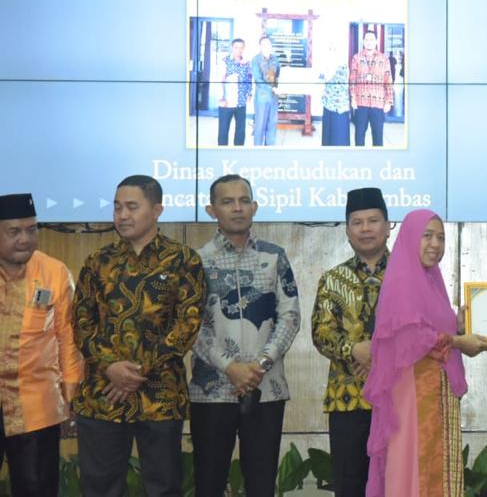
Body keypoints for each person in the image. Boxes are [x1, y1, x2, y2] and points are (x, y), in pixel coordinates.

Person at [72, 175, 206, 497]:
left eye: (132, 207)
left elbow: (187, 325)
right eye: (117, 207)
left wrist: (136, 371)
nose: (122, 215)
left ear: (157, 210)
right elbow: (81, 322)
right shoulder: (98, 261)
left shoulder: (183, 260)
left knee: (164, 487)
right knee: (100, 487)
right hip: (102, 394)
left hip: (160, 394)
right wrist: (110, 367)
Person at [362, 209, 487, 497]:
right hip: (414, 391)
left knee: (434, 469)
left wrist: (459, 326)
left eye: (441, 238)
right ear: (410, 238)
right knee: (416, 467)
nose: (435, 244)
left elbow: (430, 328)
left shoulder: (431, 280)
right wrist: (459, 342)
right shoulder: (402, 280)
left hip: (433, 390)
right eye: (427, 236)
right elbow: (413, 336)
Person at [189, 174, 301, 497]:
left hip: (266, 388)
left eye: (244, 200)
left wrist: (261, 364)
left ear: (254, 206)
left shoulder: (274, 256)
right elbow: (190, 325)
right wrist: (230, 367)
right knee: (208, 484)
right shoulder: (195, 261)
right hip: (212, 391)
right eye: (227, 202)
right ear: (211, 210)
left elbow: (290, 316)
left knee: (262, 485)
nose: (237, 208)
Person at [0, 193, 83, 497]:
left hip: (36, 405)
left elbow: (68, 335)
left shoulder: (54, 272)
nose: (24, 239)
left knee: (37, 487)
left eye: (31, 229)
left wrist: (70, 396)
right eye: (14, 231)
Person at [311, 187, 391, 496]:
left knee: (397, 483)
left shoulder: (409, 275)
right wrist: (353, 350)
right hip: (347, 398)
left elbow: (421, 329)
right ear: (347, 231)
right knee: (349, 485)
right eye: (357, 222)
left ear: (388, 226)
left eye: (373, 221)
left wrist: (380, 356)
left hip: (399, 398)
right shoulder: (333, 279)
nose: (365, 229)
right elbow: (321, 332)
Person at [349, 30, 394, 147]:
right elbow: (352, 79)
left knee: (378, 137)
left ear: (376, 41)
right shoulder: (356, 58)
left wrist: (389, 101)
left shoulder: (384, 58)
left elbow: (388, 80)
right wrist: (353, 98)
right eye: (367, 39)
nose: (369, 42)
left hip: (378, 103)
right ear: (363, 42)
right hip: (360, 103)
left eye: (372, 39)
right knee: (359, 135)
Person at [217, 38, 253, 147]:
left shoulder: (247, 63)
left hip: (241, 102)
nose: (239, 50)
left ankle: (238, 151)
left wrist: (249, 93)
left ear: (244, 48)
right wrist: (221, 97)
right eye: (236, 47)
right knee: (223, 130)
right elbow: (219, 80)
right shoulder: (225, 61)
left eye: (241, 47)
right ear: (232, 48)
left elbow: (249, 78)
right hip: (227, 102)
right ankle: (222, 152)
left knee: (240, 131)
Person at [252, 35, 281, 146]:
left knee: (272, 124)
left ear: (271, 45)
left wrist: (281, 86)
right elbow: (258, 79)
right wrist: (272, 88)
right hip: (262, 97)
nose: (266, 46)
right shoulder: (256, 60)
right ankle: (257, 149)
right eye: (263, 44)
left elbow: (278, 76)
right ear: (260, 46)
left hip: (274, 97)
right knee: (260, 125)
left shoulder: (275, 59)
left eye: (268, 44)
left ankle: (269, 149)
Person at [321, 51, 351, 146]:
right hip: (328, 105)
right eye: (330, 49)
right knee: (327, 139)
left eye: (334, 49)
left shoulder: (341, 65)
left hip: (339, 108)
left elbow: (327, 76)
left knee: (338, 140)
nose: (331, 51)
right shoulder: (328, 64)